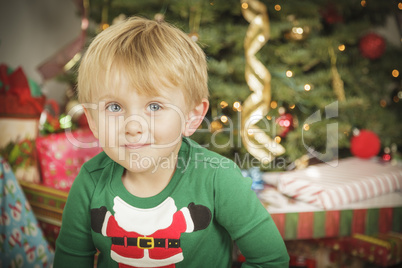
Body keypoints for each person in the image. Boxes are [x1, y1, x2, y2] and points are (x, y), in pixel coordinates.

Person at [54, 16, 289, 268]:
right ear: (92, 120)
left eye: (154, 106)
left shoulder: (217, 179)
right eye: (114, 106)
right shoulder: (90, 182)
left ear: (192, 117)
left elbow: (271, 260)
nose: (133, 126)